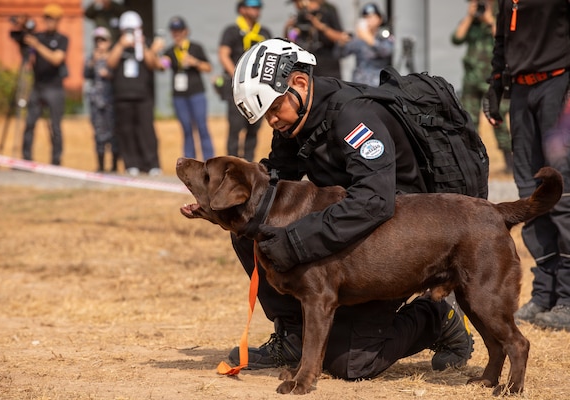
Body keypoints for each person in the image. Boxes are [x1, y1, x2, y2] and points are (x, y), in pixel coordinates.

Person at [227, 38, 474, 379]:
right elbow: (275, 183)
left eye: (273, 109)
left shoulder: (354, 117)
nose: (271, 121)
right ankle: (294, 335)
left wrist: (297, 242)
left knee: (350, 363)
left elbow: (374, 202)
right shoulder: (294, 121)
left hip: (397, 240)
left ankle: (435, 319)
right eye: (265, 115)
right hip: (353, 232)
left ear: (299, 83)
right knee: (250, 230)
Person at [483, 0, 570, 330]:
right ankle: (545, 291)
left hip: (558, 84)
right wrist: (495, 86)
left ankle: (568, 296)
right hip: (521, 91)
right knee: (530, 195)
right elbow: (502, 41)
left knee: (562, 193)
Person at [452, 0, 512, 174]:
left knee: (498, 118)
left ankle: (509, 163)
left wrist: (489, 20)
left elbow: (505, 39)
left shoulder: (499, 16)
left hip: (492, 79)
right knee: (468, 121)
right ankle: (472, 163)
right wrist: (470, 17)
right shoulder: (472, 22)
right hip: (471, 79)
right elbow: (456, 38)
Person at [107, 10, 162, 176]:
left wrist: (142, 45)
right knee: (126, 131)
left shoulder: (144, 44)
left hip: (143, 95)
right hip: (122, 96)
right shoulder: (117, 45)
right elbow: (110, 63)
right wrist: (121, 45)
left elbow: (153, 64)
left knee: (146, 130)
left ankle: (152, 163)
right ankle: (132, 164)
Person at [218, 0, 271, 161]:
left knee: (254, 127)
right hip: (237, 88)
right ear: (242, 9)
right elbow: (223, 54)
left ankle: (248, 165)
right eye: (252, 7)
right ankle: (232, 165)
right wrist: (239, 76)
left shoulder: (264, 32)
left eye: (258, 7)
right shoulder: (232, 31)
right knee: (235, 128)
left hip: (257, 88)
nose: (256, 10)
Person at [160, 16, 214, 160]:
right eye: (174, 31)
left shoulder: (196, 48)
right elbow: (161, 65)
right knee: (186, 129)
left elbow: (208, 67)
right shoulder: (170, 51)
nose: (176, 34)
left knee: (202, 127)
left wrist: (194, 62)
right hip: (179, 96)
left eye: (179, 30)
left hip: (196, 94)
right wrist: (155, 51)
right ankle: (190, 163)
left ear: (186, 31)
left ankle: (209, 161)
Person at [21, 3, 68, 166]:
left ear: (58, 20)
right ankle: (26, 158)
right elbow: (28, 54)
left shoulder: (62, 39)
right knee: (29, 123)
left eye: (52, 19)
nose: (49, 22)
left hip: (54, 88)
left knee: (55, 127)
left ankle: (56, 161)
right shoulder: (38, 36)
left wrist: (37, 46)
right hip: (37, 85)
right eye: (46, 18)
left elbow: (57, 59)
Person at [284, 0, 349, 79]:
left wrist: (320, 26)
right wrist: (287, 29)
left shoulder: (327, 11)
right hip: (309, 70)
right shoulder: (301, 17)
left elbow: (342, 37)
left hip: (329, 69)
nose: (296, 6)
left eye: (297, 3)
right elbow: (291, 41)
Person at [84, 26, 118, 173]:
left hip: (111, 100)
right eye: (97, 40)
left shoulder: (113, 57)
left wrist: (109, 74)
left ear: (109, 42)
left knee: (113, 133)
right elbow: (86, 74)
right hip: (96, 102)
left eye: (103, 40)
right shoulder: (92, 58)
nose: (100, 44)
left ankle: (115, 165)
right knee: (98, 133)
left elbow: (118, 77)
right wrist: (93, 61)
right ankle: (101, 165)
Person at [337, 2, 394, 87]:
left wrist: (367, 37)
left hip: (379, 83)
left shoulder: (384, 36)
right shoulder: (358, 38)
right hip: (359, 84)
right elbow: (340, 54)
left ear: (379, 19)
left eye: (371, 17)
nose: (368, 20)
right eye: (365, 18)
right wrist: (341, 43)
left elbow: (385, 51)